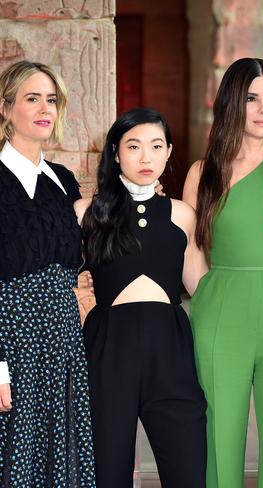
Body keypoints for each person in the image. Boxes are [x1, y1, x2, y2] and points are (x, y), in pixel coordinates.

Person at [182, 58, 263, 487]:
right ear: (231, 105)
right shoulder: (203, 174)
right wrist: (209, 297)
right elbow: (191, 250)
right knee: (219, 444)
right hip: (221, 316)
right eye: (252, 99)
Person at [75, 107, 207, 487]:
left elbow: (201, 286)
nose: (146, 157)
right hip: (108, 346)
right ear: (115, 153)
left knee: (187, 466)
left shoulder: (183, 214)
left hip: (171, 346)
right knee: (106, 471)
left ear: (169, 152)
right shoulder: (87, 213)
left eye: (156, 146)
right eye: (134, 146)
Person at [0, 60, 95, 486]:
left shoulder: (64, 181)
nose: (44, 108)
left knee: (62, 458)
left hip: (61, 336)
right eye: (32, 98)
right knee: (14, 456)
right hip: (11, 337)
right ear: (6, 108)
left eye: (51, 99)